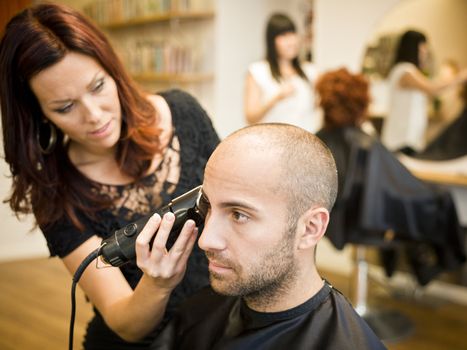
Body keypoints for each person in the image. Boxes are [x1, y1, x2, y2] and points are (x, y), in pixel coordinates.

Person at [0, 3, 219, 349]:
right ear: (40, 115)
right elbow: (123, 321)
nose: (94, 115)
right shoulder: (55, 194)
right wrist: (158, 284)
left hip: (227, 330)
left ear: (112, 69)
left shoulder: (184, 113)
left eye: (98, 86)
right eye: (65, 107)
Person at [149, 123, 387, 349]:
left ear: (310, 228)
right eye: (208, 206)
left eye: (239, 215)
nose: (206, 240)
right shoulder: (199, 312)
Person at [315, 68, 465, 286]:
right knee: (439, 198)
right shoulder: (365, 143)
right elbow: (400, 187)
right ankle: (432, 262)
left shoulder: (318, 141)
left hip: (337, 224)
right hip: (372, 225)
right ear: (362, 103)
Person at [381, 29, 467, 155]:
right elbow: (432, 88)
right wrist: (459, 78)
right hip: (401, 139)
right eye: (423, 47)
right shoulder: (404, 71)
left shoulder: (410, 71)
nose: (425, 52)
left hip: (410, 139)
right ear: (413, 48)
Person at [244, 13, 320, 132]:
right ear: (271, 40)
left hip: (306, 142)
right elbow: (250, 117)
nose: (291, 41)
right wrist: (277, 98)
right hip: (272, 142)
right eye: (284, 36)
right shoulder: (258, 71)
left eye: (293, 34)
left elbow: (317, 106)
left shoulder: (310, 71)